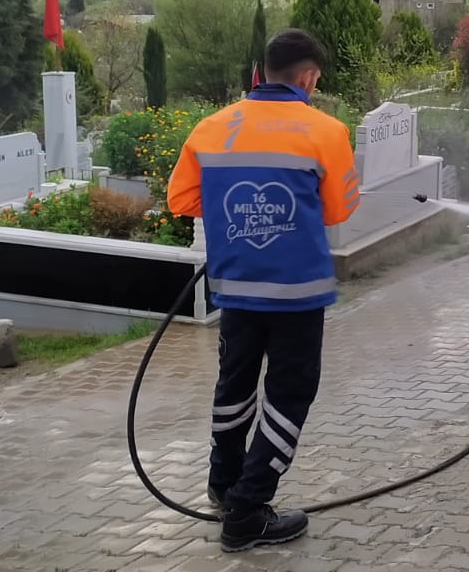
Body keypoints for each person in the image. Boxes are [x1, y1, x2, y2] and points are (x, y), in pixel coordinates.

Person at [166, 28, 359, 552]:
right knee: (289, 393)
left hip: (235, 287)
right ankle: (248, 513)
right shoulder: (326, 131)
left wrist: (244, 218)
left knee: (235, 387)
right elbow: (339, 210)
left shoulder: (212, 127)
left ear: (263, 70)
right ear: (309, 77)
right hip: (298, 292)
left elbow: (181, 200)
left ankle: (223, 485)